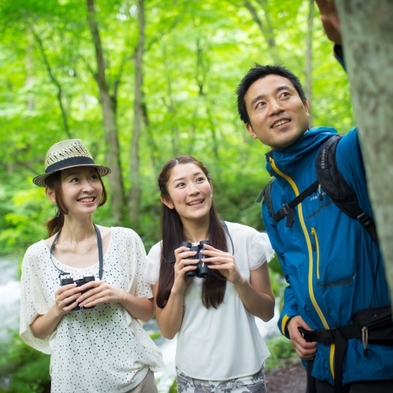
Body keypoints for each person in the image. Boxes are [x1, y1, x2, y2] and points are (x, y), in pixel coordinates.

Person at [235, 1, 393, 392]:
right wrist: (289, 320)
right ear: (252, 129)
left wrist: (349, 46)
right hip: (321, 368)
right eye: (260, 104)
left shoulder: (348, 155)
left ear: (305, 106)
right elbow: (293, 274)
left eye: (285, 95)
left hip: (377, 362)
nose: (275, 107)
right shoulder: (272, 198)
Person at [19, 139, 165, 393]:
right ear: (52, 193)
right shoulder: (37, 256)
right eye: (75, 180)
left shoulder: (126, 240)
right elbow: (37, 331)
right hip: (73, 383)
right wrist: (58, 309)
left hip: (135, 381)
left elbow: (147, 312)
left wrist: (118, 295)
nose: (88, 187)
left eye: (93, 177)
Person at [145, 155, 275, 393]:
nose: (194, 190)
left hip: (245, 374)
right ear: (168, 200)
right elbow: (167, 330)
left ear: (210, 187)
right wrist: (177, 287)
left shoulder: (245, 239)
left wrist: (237, 279)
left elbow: (266, 313)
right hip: (193, 377)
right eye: (181, 185)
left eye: (199, 180)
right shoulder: (160, 254)